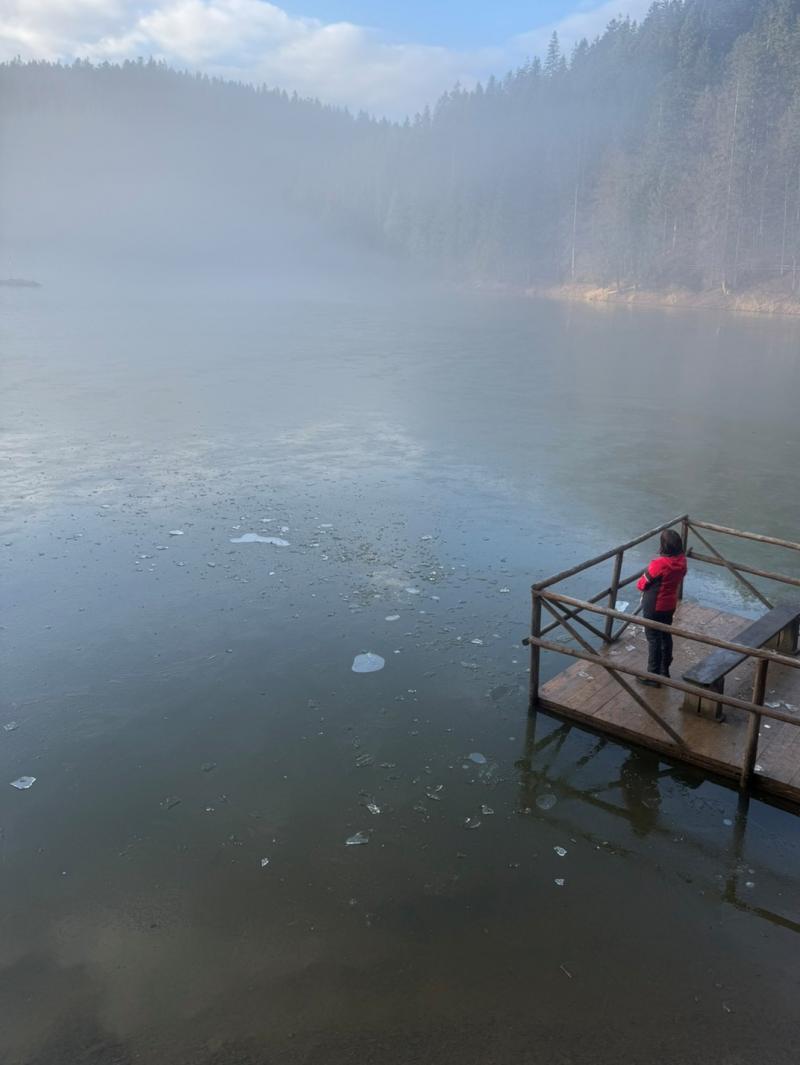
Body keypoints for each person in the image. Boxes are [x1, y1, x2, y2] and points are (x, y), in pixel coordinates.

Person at [636, 529, 687, 686]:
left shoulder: (659, 564)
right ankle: (665, 671)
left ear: (663, 546)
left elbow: (641, 584)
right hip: (669, 604)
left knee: (653, 638)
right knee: (665, 635)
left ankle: (653, 676)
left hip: (654, 606)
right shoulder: (682, 561)